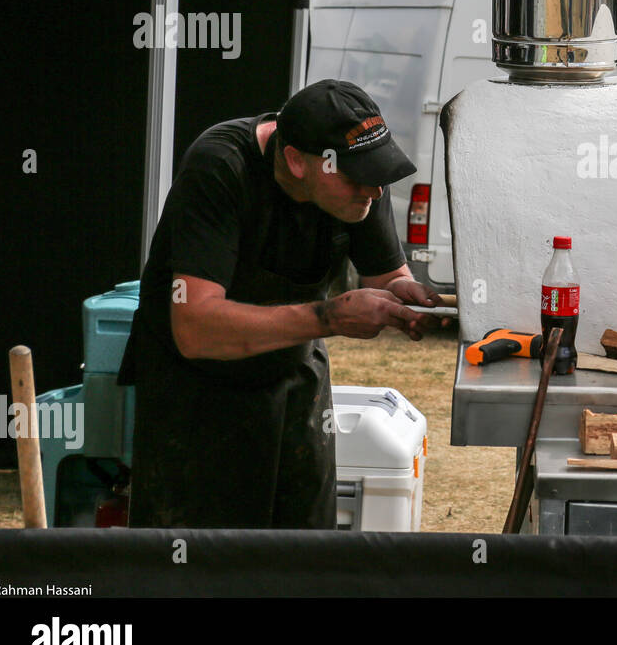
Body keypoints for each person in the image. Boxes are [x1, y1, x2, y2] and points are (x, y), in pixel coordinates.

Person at [119, 80, 444, 529]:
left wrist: (406, 294)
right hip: (196, 393)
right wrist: (328, 316)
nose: (373, 191)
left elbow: (386, 273)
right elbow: (194, 328)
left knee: (301, 559)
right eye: (357, 177)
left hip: (293, 382)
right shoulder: (220, 168)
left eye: (379, 175)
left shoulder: (361, 182)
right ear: (296, 161)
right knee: (198, 569)